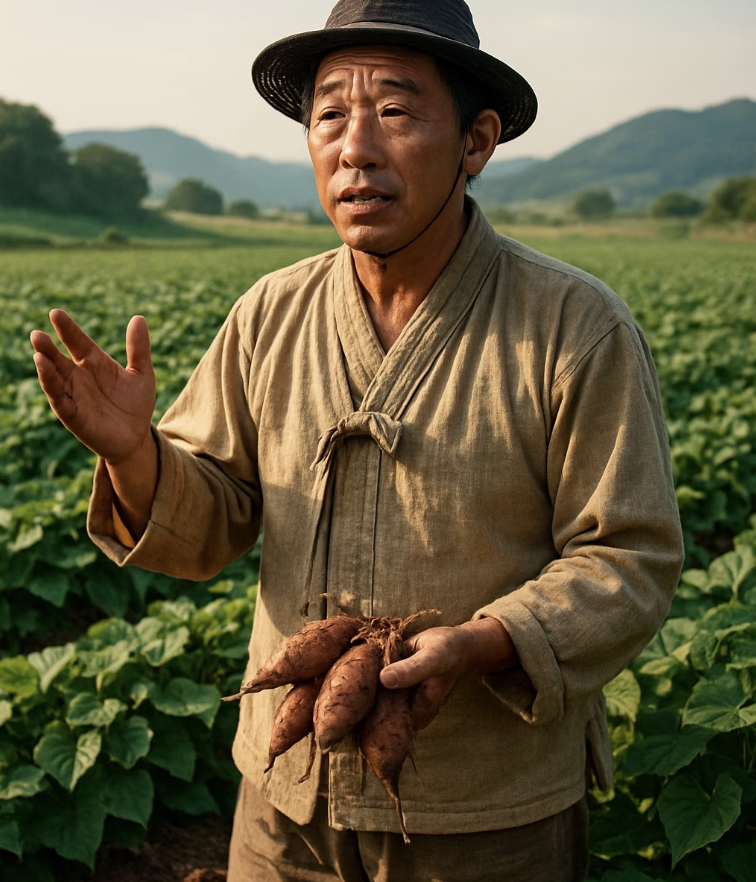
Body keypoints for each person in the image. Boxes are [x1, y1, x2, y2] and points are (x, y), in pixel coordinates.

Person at [30, 1, 684, 879]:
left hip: (483, 813)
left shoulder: (574, 326)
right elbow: (213, 519)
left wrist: (484, 639)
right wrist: (134, 454)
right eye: (330, 113)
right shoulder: (272, 312)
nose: (355, 147)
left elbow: (628, 558)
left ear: (476, 141)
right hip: (282, 797)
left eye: (397, 111)